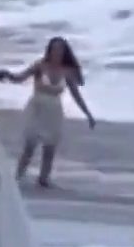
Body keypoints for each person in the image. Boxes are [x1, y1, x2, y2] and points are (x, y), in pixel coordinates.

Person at [9, 36, 95, 188]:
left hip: (54, 111)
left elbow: (76, 94)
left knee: (49, 149)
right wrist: (6, 76)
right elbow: (20, 78)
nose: (57, 52)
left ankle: (43, 179)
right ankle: (17, 176)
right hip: (36, 108)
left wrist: (88, 114)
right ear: (49, 50)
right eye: (54, 49)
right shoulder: (40, 65)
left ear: (64, 51)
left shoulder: (67, 71)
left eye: (60, 49)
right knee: (29, 146)